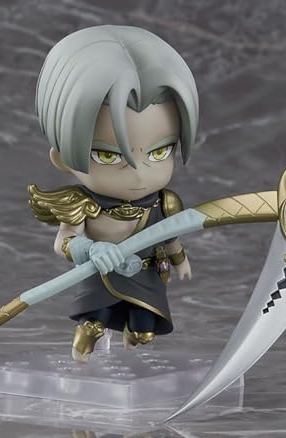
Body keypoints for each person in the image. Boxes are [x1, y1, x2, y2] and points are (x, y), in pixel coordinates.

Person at [29, 25, 199, 362]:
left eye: (160, 152)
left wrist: (179, 259)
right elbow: (64, 242)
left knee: (144, 330)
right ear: (63, 158)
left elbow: (170, 235)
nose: (139, 173)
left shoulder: (164, 202)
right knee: (96, 318)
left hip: (147, 275)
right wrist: (91, 249)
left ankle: (133, 339)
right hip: (101, 274)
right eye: (108, 156)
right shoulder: (82, 204)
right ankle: (89, 335)